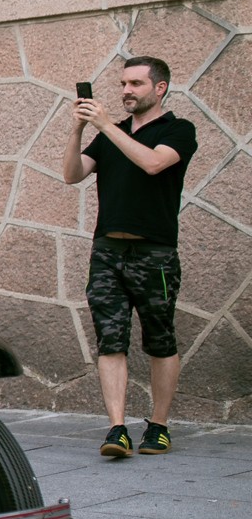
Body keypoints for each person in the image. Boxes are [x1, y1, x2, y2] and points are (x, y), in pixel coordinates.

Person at [62, 55, 198, 459]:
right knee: (110, 341)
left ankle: (158, 426)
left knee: (160, 339)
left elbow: (154, 163)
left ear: (160, 88)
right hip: (107, 252)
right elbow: (71, 174)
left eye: (136, 84)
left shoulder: (178, 130)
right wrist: (79, 127)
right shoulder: (110, 134)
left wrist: (104, 126)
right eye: (122, 83)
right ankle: (117, 427)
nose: (125, 91)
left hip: (154, 253)